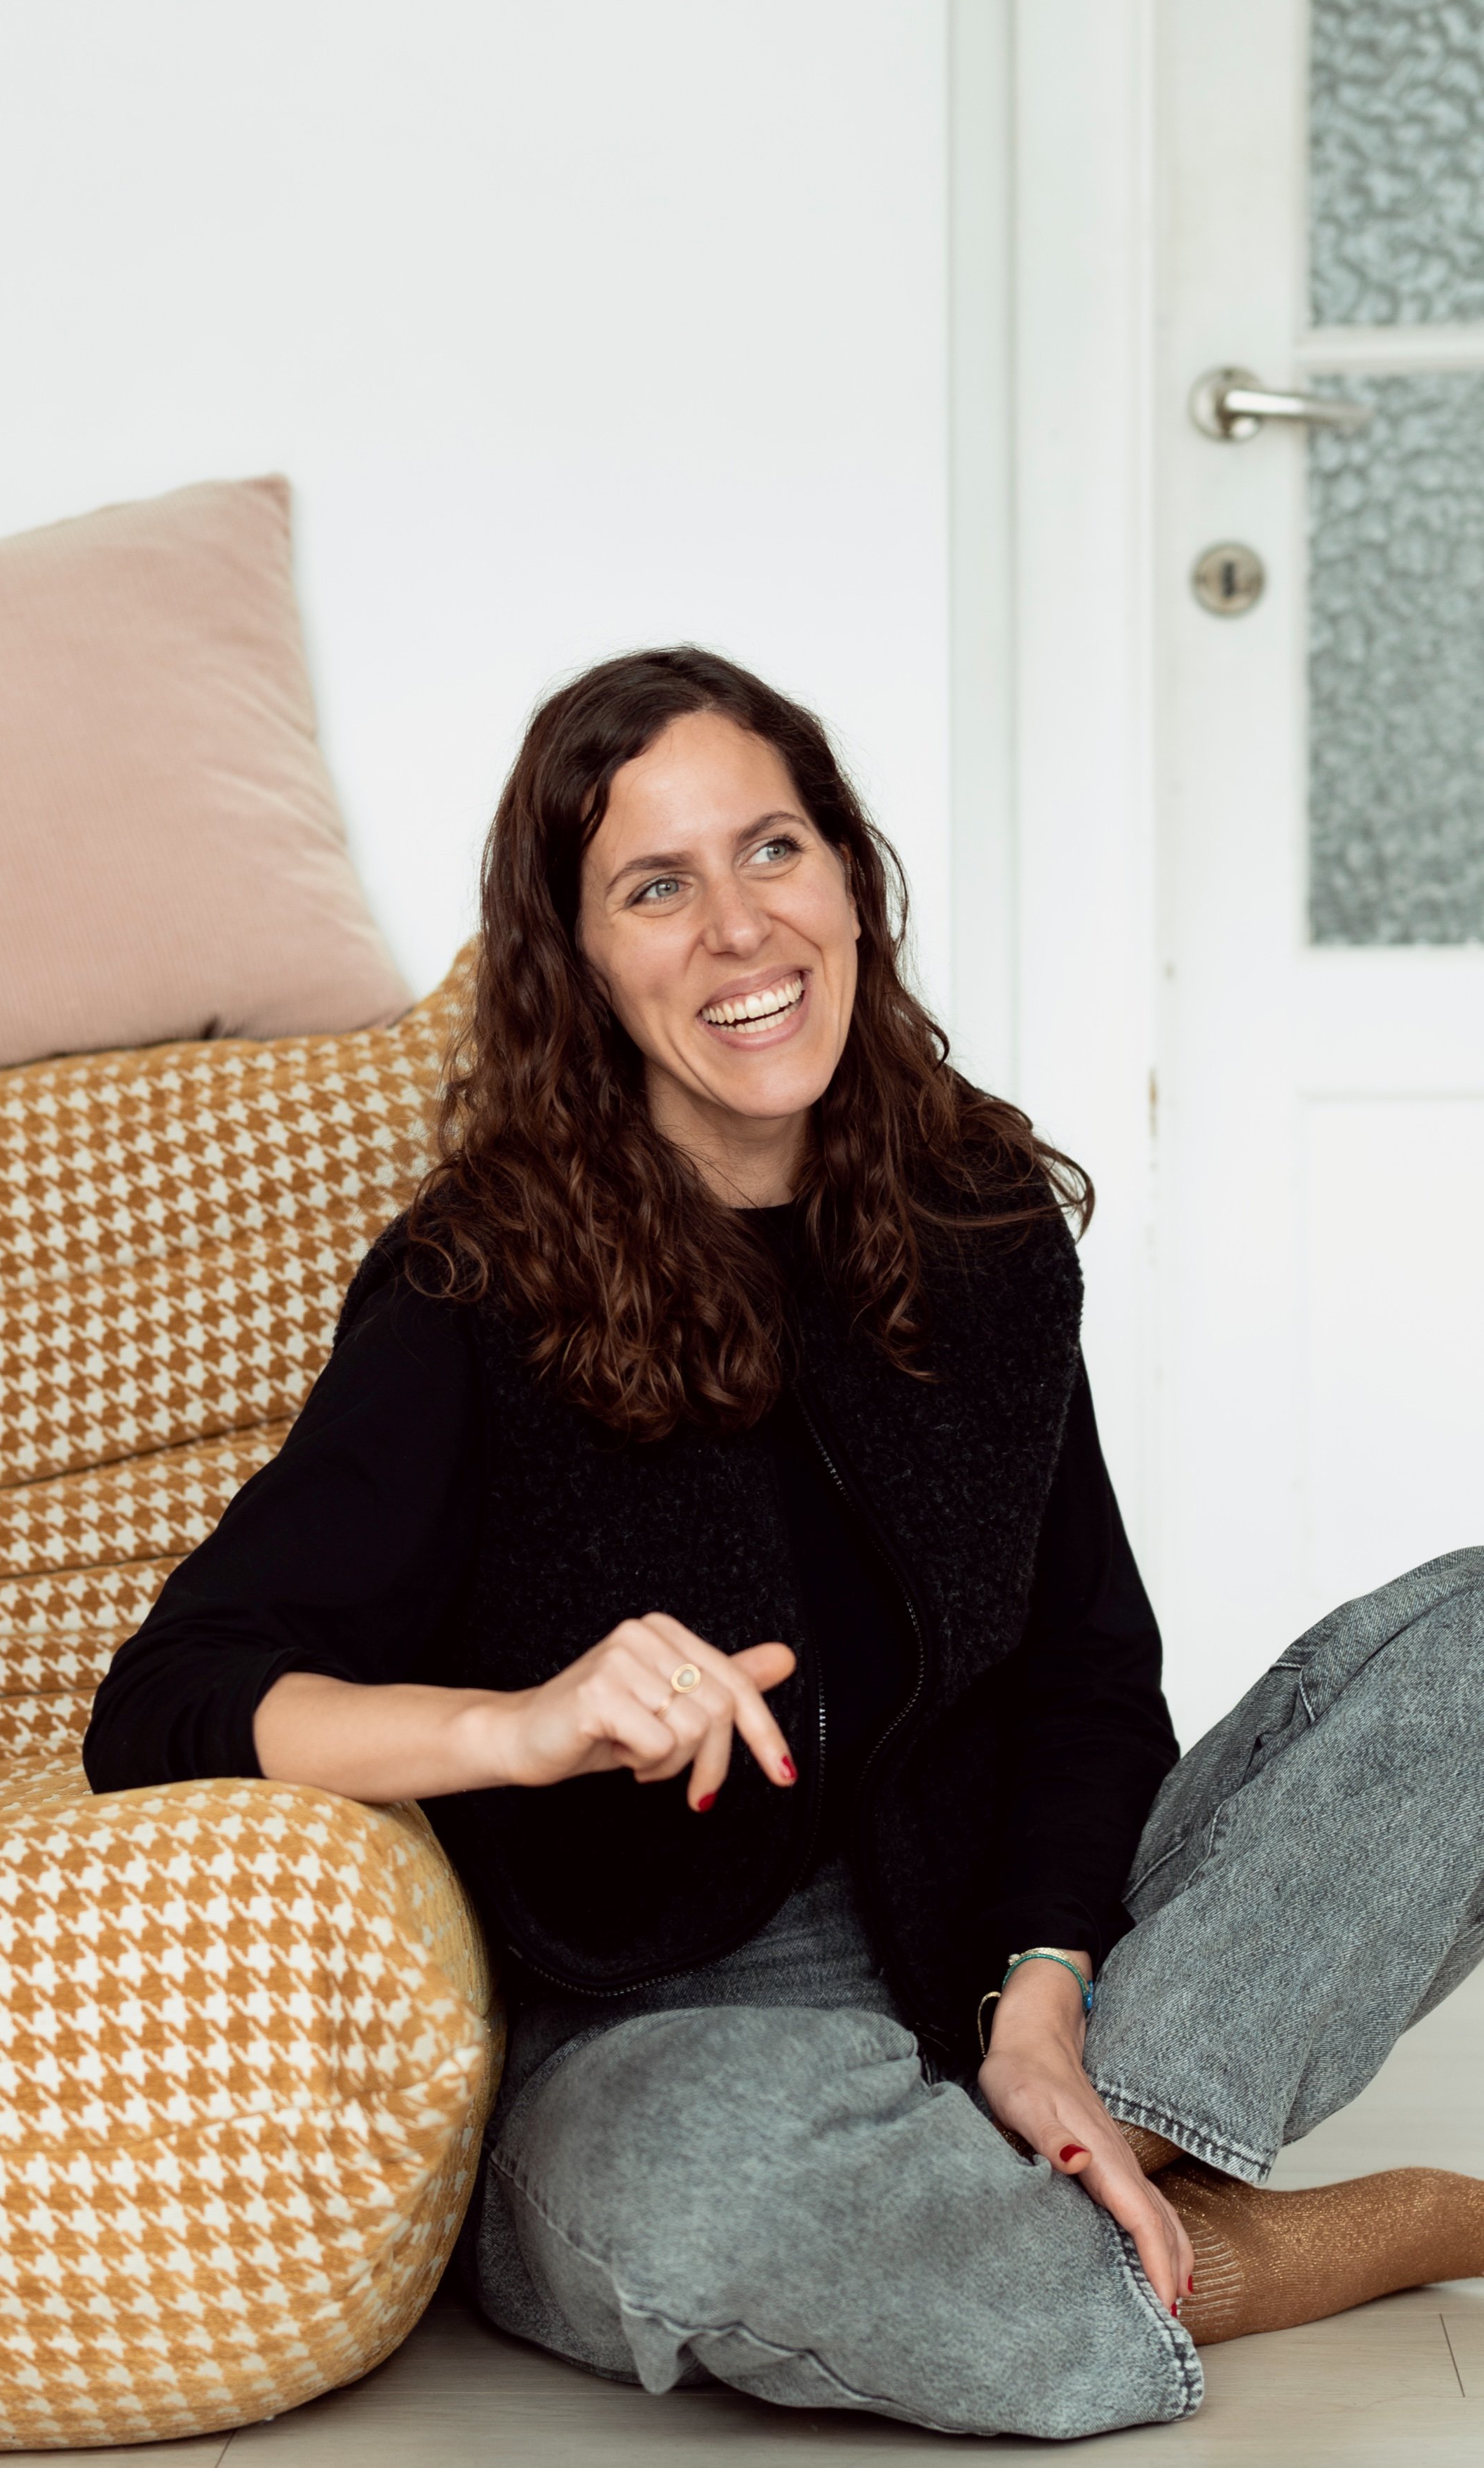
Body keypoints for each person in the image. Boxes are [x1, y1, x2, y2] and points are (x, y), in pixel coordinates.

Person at [84, 648, 1484, 2441]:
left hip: (1012, 1967)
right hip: (671, 2031)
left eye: (775, 851)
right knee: (715, 2200)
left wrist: (1041, 2000)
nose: (740, 930)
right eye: (656, 887)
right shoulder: (473, 1287)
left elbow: (1083, 1669)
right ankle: (1286, 2238)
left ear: (850, 879)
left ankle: (1098, 2133)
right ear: (577, 963)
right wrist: (524, 1725)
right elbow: (167, 1703)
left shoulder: (976, 1216)